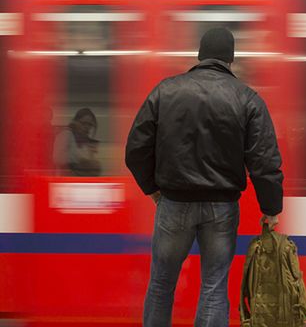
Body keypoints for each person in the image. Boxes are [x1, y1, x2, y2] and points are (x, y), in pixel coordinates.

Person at [125, 27, 283, 327]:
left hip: (174, 203)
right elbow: (264, 160)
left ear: (200, 56)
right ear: (230, 59)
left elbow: (135, 150)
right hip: (221, 208)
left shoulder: (165, 90)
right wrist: (271, 208)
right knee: (214, 287)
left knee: (161, 284)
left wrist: (153, 189)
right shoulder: (247, 99)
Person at [53, 107, 101, 176]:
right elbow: (57, 158)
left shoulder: (87, 142)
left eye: (90, 125)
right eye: (84, 123)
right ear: (76, 122)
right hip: (65, 180)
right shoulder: (66, 135)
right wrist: (80, 160)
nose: (87, 127)